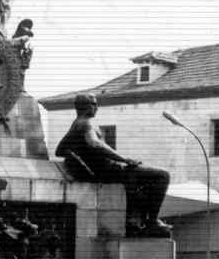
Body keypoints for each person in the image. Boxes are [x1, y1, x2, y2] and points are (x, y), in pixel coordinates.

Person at [55, 93, 172, 237]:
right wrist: (124, 159)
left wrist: (76, 157)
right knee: (162, 176)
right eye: (93, 104)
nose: (97, 107)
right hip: (110, 170)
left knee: (143, 186)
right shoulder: (85, 123)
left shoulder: (77, 124)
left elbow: (59, 150)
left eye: (96, 104)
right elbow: (95, 144)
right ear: (83, 106)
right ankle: (151, 221)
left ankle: (137, 220)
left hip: (107, 169)